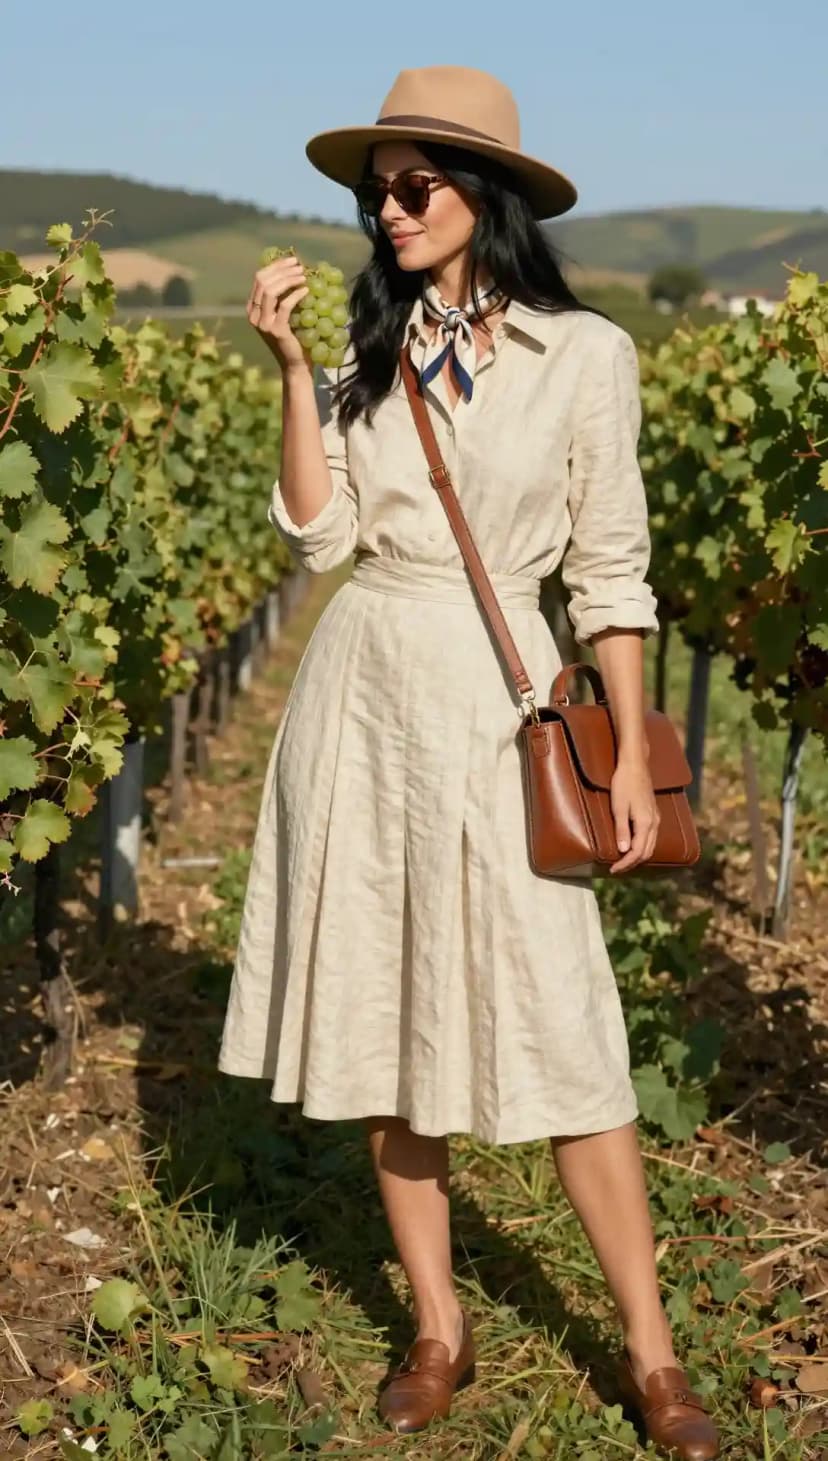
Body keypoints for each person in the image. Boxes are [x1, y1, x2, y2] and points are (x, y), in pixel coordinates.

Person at [218, 64, 719, 1460]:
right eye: (376, 189)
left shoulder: (583, 357)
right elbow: (319, 537)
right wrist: (292, 374)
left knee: (568, 1024)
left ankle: (653, 1351)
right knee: (385, 1009)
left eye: (416, 185)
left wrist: (630, 757)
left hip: (506, 707)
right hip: (365, 694)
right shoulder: (365, 355)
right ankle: (438, 1324)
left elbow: (612, 572)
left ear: (484, 196)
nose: (389, 208)